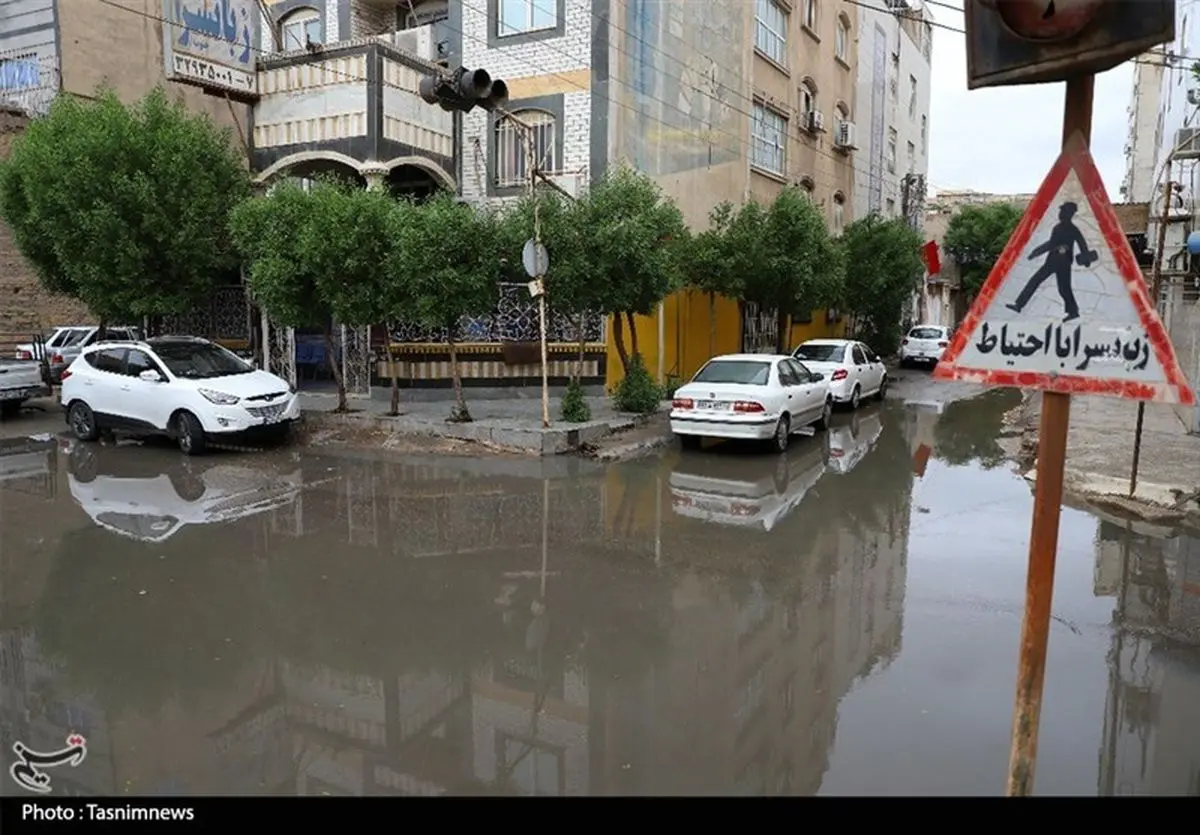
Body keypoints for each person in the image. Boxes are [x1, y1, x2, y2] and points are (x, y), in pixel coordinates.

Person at [1006, 200, 1096, 322]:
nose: (1060, 213)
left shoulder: (1066, 229)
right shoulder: (1064, 228)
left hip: (1060, 263)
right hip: (1056, 261)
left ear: (1068, 213)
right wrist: (1036, 252)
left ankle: (1073, 311)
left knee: (1058, 287)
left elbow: (1077, 243)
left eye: (1063, 211)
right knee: (1048, 284)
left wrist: (1036, 252)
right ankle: (1019, 305)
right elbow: (1076, 244)